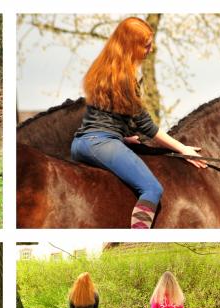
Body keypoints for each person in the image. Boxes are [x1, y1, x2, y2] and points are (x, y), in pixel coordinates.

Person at [70, 17, 207, 229]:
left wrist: (121, 137)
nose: (151, 50)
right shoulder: (125, 78)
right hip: (100, 143)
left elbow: (103, 117)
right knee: (152, 189)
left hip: (81, 144)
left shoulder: (101, 71)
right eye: (146, 45)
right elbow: (147, 126)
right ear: (131, 46)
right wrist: (182, 149)